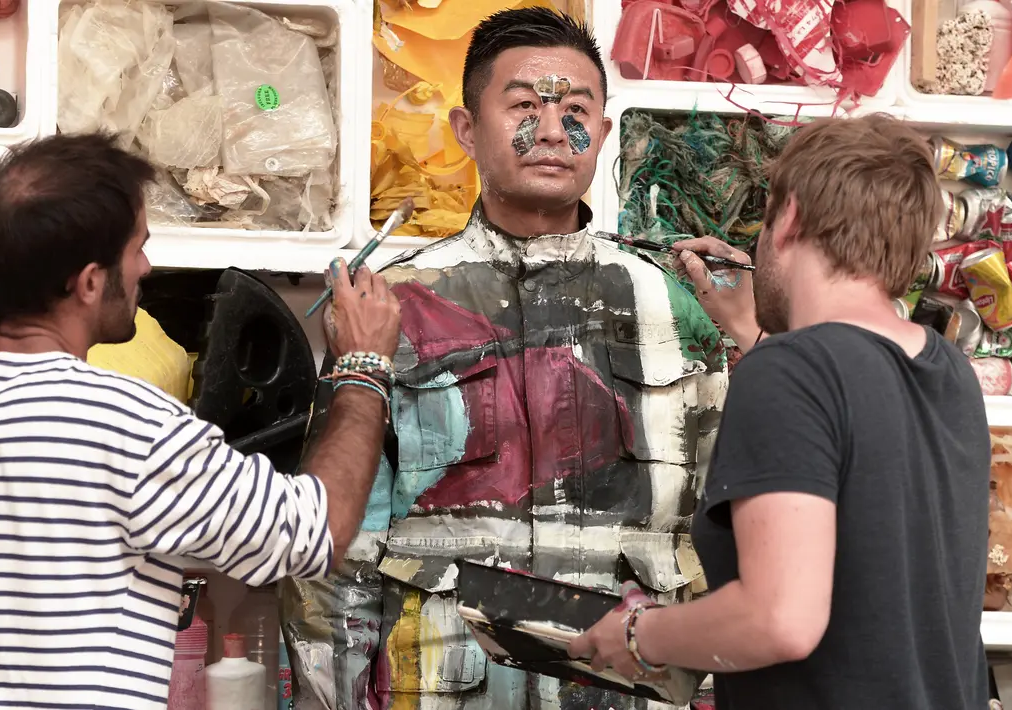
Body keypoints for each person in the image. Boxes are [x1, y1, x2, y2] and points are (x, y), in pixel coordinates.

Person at [281, 7, 728, 710]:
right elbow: (338, 546)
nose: (552, 130)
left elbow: (718, 533)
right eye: (523, 105)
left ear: (604, 134)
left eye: (576, 109)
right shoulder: (396, 307)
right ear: (466, 129)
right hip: (444, 692)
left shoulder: (672, 307)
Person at [0, 133, 401, 709]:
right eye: (138, 247)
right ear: (91, 282)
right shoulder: (131, 428)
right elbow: (313, 532)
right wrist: (363, 369)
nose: (146, 266)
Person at [570, 114, 991, 710]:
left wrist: (639, 634)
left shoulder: (790, 371)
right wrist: (755, 335)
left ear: (788, 217)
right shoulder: (949, 371)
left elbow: (781, 619)